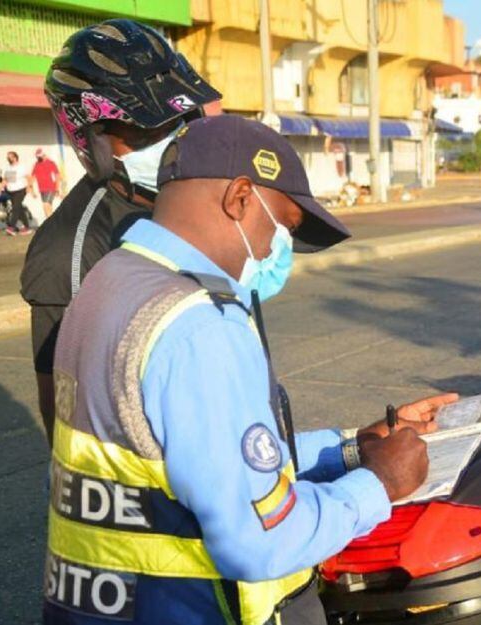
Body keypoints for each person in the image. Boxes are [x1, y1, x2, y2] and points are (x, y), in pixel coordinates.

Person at [42, 113, 455, 624]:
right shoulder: (199, 324)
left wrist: (354, 445)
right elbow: (259, 540)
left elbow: (202, 461)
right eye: (282, 226)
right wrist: (382, 482)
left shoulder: (112, 280)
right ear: (239, 198)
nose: (274, 248)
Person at [21, 19, 222, 444]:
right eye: (142, 131)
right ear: (91, 141)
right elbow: (64, 410)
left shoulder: (193, 198)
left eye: (177, 121)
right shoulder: (68, 252)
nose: (168, 140)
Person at [1, 151, 32, 235]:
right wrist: (0, 188)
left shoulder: (21, 166)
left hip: (21, 189)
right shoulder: (8, 168)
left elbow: (28, 177)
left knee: (15, 208)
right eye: (7, 157)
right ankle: (27, 227)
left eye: (10, 156)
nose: (8, 158)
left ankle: (12, 227)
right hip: (11, 191)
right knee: (19, 209)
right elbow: (6, 180)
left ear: (15, 157)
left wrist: (29, 187)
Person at [29, 148, 61, 218]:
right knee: (48, 207)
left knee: (45, 205)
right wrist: (32, 190)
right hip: (42, 189)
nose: (38, 158)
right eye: (37, 157)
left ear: (43, 155)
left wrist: (57, 188)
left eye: (39, 156)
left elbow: (57, 175)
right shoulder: (36, 164)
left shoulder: (51, 163)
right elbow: (32, 177)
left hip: (50, 188)